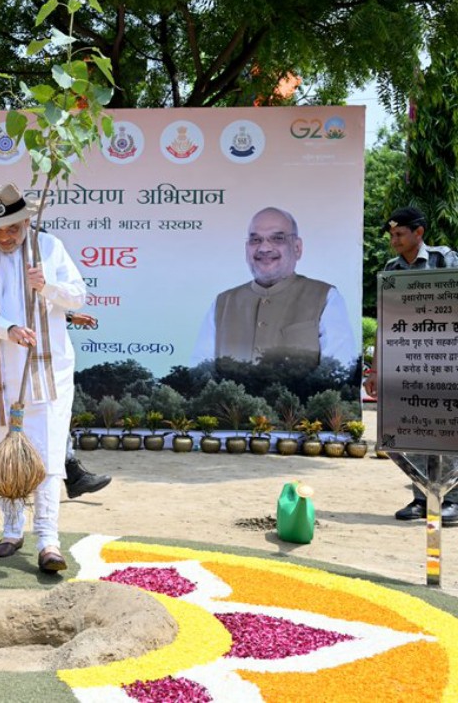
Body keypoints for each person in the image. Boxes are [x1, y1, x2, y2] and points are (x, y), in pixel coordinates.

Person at [0, 182, 85, 573]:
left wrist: (46, 286)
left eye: (12, 228)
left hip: (46, 371)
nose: (5, 237)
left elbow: (78, 296)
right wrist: (7, 327)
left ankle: (48, 540)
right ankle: (12, 530)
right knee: (2, 451)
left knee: (46, 452)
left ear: (27, 221)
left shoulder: (49, 248)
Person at [363, 206, 458, 524]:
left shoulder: (444, 260)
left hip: (442, 360)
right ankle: (422, 496)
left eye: (400, 233)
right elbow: (384, 323)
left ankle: (454, 499)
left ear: (419, 233)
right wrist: (375, 368)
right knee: (409, 429)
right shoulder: (391, 268)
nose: (394, 240)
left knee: (445, 431)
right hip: (405, 362)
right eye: (391, 234)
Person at [0, 310, 112, 500]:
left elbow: (28, 307)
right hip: (4, 351)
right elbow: (10, 307)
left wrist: (66, 316)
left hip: (23, 348)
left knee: (37, 413)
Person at [191, 206, 357, 369]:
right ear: (246, 249)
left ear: (297, 248)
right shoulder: (223, 303)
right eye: (255, 240)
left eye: (278, 238)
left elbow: (339, 373)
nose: (264, 248)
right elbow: (199, 373)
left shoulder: (325, 297)